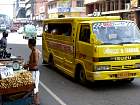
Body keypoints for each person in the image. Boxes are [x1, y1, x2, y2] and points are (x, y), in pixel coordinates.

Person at [23, 39, 40, 105]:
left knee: (35, 88)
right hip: (33, 71)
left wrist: (27, 65)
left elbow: (35, 63)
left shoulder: (35, 51)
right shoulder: (35, 51)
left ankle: (36, 102)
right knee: (34, 87)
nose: (28, 45)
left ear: (30, 44)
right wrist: (29, 64)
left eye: (28, 43)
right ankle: (35, 101)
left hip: (34, 72)